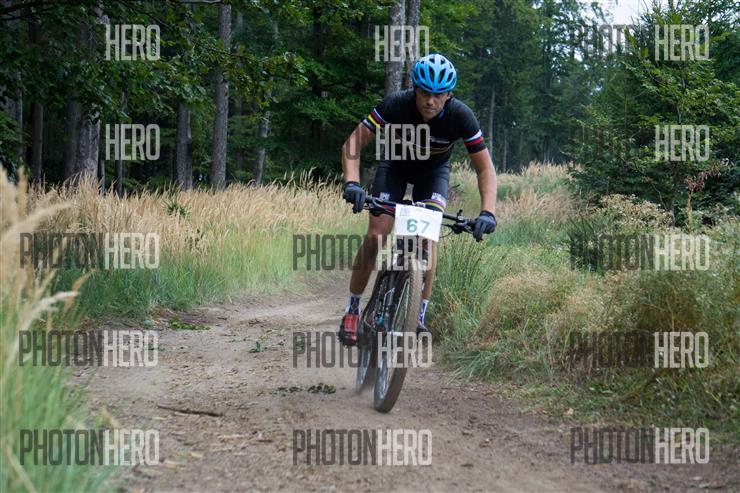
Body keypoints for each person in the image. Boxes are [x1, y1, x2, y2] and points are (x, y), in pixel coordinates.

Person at [338, 53, 497, 346]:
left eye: (439, 95)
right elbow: (353, 143)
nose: (430, 101)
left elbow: (485, 168)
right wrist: (352, 183)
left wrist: (488, 211)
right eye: (425, 93)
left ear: (449, 95)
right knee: (377, 235)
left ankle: (417, 314)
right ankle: (353, 309)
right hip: (395, 168)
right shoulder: (395, 104)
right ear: (414, 89)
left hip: (432, 175)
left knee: (428, 239)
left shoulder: (461, 116)